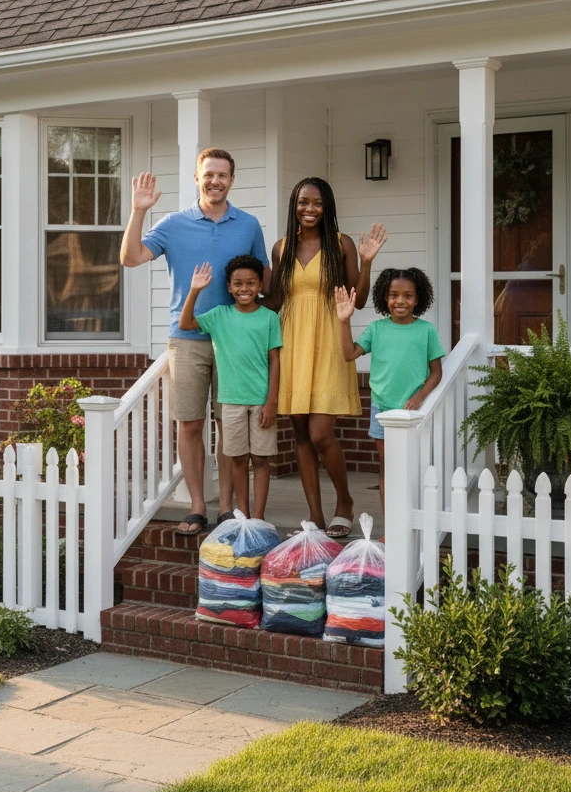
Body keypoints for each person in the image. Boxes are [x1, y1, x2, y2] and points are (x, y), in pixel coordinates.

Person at [120, 149, 268, 535]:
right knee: (190, 423)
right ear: (196, 178)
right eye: (209, 174)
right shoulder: (173, 223)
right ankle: (198, 506)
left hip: (234, 342)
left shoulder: (249, 225)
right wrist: (138, 211)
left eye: (222, 175)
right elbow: (131, 257)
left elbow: (261, 280)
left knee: (228, 422)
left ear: (232, 180)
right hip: (186, 337)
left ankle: (228, 507)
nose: (215, 181)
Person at [267, 177, 387, 537]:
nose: (309, 209)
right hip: (292, 344)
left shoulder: (341, 244)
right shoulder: (281, 248)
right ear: (294, 205)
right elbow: (274, 301)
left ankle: (344, 502)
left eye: (317, 203)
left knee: (321, 434)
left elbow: (359, 300)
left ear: (327, 206)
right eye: (303, 202)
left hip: (330, 342)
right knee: (300, 432)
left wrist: (366, 264)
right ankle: (315, 518)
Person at [178, 255, 282, 520]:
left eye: (250, 283)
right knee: (237, 459)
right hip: (231, 401)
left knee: (260, 460)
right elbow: (186, 323)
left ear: (260, 286)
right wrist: (194, 290)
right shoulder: (219, 316)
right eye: (238, 283)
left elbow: (275, 361)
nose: (244, 288)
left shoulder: (269, 318)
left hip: (260, 401)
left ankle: (258, 517)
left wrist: (272, 402)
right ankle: (243, 516)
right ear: (228, 287)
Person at [334, 268, 445, 511]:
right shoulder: (376, 328)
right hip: (382, 408)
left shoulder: (426, 331)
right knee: (387, 468)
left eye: (408, 296)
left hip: (414, 411)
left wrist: (419, 397)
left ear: (418, 299)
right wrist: (344, 321)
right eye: (394, 295)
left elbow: (436, 371)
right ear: (385, 297)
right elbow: (348, 354)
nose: (400, 301)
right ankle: (390, 528)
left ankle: (415, 518)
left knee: (414, 468)